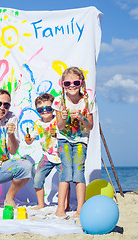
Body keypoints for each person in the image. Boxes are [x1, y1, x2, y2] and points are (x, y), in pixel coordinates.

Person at [53, 67, 96, 218]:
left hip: (80, 140)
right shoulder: (60, 101)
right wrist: (64, 118)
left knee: (78, 172)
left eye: (76, 82)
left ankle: (80, 209)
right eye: (68, 83)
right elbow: (59, 126)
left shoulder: (87, 101)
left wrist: (82, 118)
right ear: (62, 84)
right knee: (65, 172)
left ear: (82, 83)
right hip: (64, 139)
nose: (72, 85)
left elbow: (90, 126)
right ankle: (60, 209)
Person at [25, 93, 67, 210]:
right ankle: (40, 204)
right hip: (47, 156)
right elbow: (31, 139)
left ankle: (65, 205)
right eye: (40, 109)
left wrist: (58, 133)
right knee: (38, 177)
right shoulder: (38, 124)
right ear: (37, 110)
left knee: (65, 181)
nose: (45, 111)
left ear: (53, 108)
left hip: (61, 156)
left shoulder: (58, 121)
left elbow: (67, 133)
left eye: (48, 108)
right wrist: (28, 139)